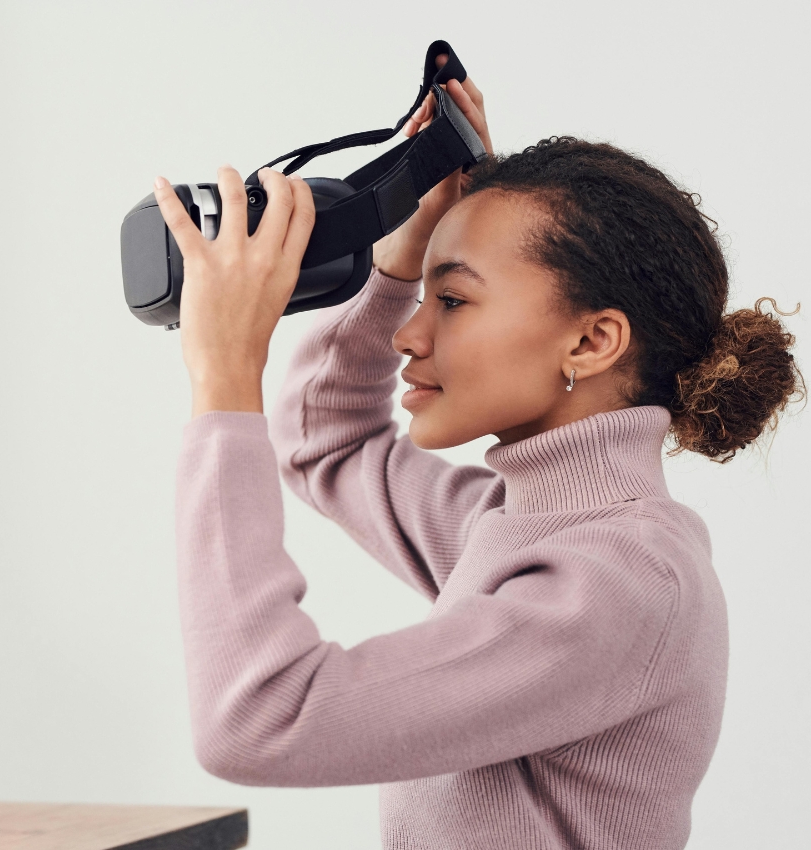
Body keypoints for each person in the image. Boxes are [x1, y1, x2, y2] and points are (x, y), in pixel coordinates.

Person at [152, 55, 803, 850]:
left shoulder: (616, 583)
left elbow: (259, 718)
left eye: (453, 300)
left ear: (593, 341)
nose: (408, 334)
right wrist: (402, 251)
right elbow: (326, 440)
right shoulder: (518, 528)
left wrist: (224, 374)